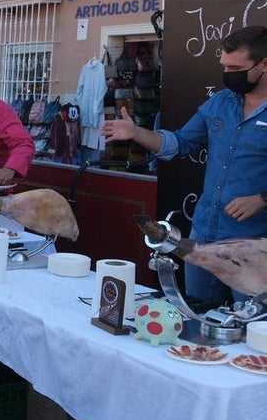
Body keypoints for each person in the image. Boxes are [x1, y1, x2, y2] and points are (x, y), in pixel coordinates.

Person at [102, 26, 267, 307]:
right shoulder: (219, 102)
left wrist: (262, 199)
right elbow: (180, 142)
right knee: (197, 315)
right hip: (203, 233)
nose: (228, 73)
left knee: (254, 329)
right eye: (225, 66)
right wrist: (136, 133)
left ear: (264, 64)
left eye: (236, 67)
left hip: (254, 244)